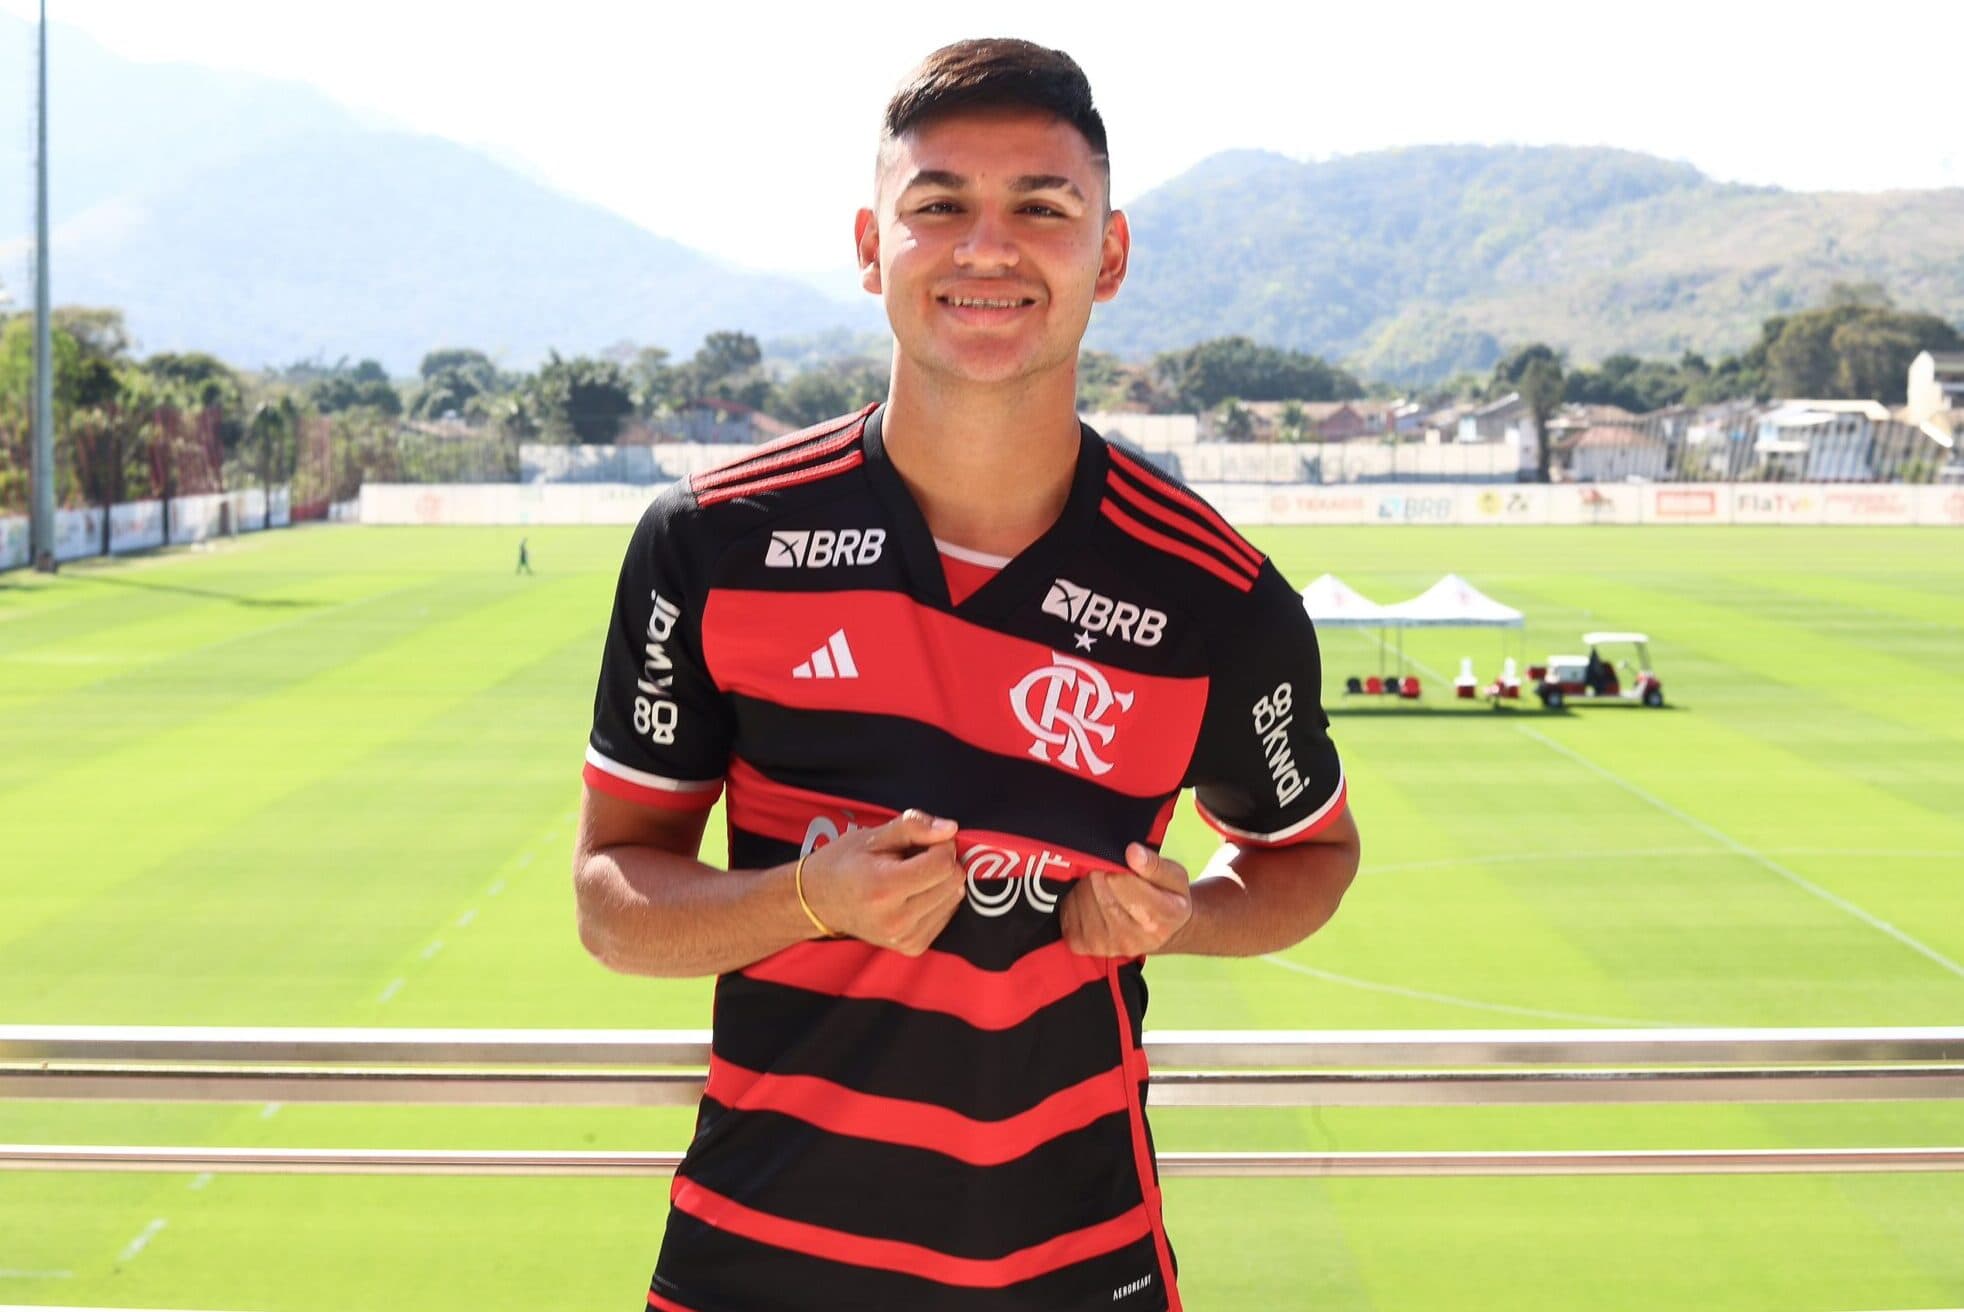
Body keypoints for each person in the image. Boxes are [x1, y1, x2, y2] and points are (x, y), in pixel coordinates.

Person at [573, 38, 1360, 1312]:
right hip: (757, 1265)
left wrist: (1185, 917)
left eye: (1040, 209)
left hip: (1074, 1263)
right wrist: (806, 900)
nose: (986, 247)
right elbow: (613, 898)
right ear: (870, 245)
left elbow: (1309, 856)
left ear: (1106, 254)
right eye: (937, 206)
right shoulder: (711, 541)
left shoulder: (1212, 593)